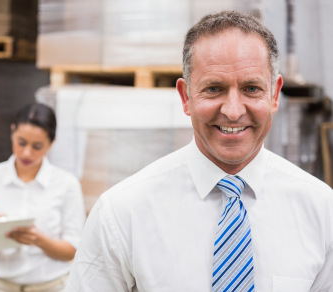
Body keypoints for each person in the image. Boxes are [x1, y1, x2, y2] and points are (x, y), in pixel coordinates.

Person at [65, 10, 333, 292]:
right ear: (186, 97)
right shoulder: (122, 213)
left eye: (251, 88)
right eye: (214, 88)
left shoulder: (323, 211)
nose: (232, 111)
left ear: (274, 95)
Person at [0, 103, 86, 292]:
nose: (26, 153)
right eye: (21, 142)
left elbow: (72, 251)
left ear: (52, 142)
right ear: (12, 131)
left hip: (52, 287)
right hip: (2, 287)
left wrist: (37, 239)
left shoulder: (67, 184)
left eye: (37, 146)